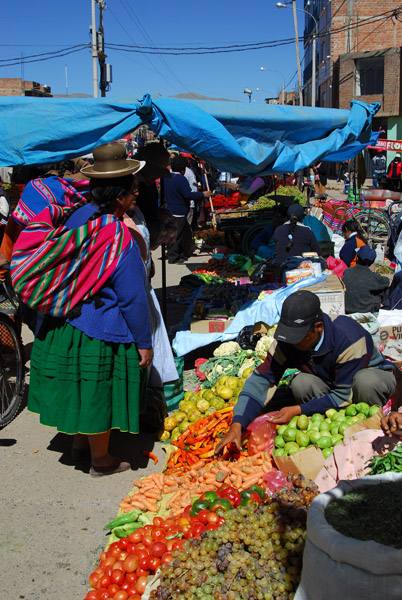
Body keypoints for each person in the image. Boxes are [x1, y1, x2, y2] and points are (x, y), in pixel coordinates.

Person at [13, 143, 153, 477]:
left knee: (78, 387)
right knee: (97, 391)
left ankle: (78, 445)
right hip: (97, 328)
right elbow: (132, 295)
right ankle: (101, 460)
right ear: (119, 194)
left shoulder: (75, 215)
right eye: (133, 189)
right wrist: (144, 342)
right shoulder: (116, 235)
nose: (136, 194)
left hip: (63, 323)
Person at [215, 290, 396, 453]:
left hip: (367, 382)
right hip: (331, 383)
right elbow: (261, 379)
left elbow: (344, 394)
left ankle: (374, 428)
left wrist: (299, 409)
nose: (293, 343)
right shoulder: (287, 342)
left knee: (366, 381)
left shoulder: (348, 337)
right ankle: (331, 429)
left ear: (318, 327)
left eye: (298, 337)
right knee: (301, 383)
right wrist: (238, 423)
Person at [164, 155, 211, 264]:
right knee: (178, 235)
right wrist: (202, 194)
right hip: (179, 211)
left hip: (169, 210)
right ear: (183, 169)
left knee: (172, 235)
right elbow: (188, 194)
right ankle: (174, 257)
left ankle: (177, 254)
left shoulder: (167, 178)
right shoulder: (181, 179)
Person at [343, 246, 389, 314]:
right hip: (365, 310)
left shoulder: (347, 271)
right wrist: (375, 274)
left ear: (357, 258)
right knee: (383, 288)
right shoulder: (373, 276)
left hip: (347, 309)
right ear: (371, 262)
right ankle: (387, 308)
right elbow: (387, 281)